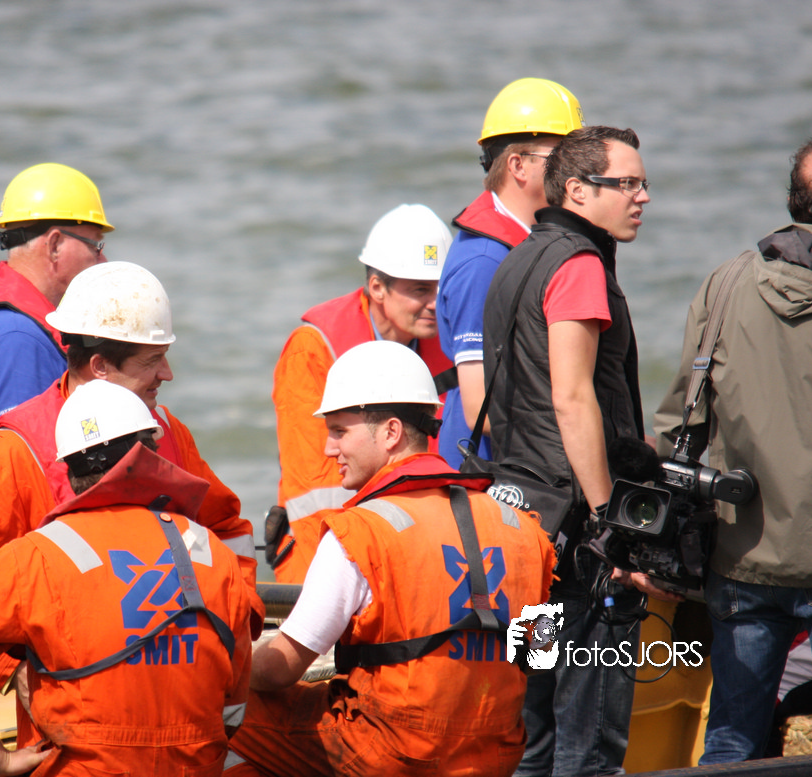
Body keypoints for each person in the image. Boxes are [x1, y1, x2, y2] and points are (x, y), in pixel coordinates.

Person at [0, 261, 261, 748]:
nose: (167, 374)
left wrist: (232, 632)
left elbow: (228, 532)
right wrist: (12, 669)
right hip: (72, 734)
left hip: (182, 721)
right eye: (151, 361)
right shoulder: (17, 453)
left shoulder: (167, 432)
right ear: (99, 366)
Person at [226, 340, 556, 777]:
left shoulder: (361, 531)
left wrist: (218, 664)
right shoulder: (526, 531)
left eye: (339, 431)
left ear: (390, 432)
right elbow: (540, 657)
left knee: (215, 702)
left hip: (390, 753)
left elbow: (281, 669)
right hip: (495, 751)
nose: (328, 449)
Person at [0, 380, 256, 775]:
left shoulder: (36, 557)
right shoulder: (214, 555)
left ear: (69, 469)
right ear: (151, 457)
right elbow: (233, 701)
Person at [482, 126, 668, 777]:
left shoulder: (519, 256)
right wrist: (611, 525)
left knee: (534, 734)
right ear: (578, 190)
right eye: (627, 183)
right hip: (577, 542)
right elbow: (571, 397)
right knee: (589, 744)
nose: (642, 196)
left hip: (521, 525)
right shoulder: (581, 265)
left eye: (643, 182)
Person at [652, 136, 812, 764]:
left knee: (730, 739)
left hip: (743, 556)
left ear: (793, 200)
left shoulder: (725, 285)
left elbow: (680, 421)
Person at [268, 203, 454, 584]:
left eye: (441, 287)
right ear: (377, 288)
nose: (435, 303)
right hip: (325, 559)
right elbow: (317, 489)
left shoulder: (447, 347)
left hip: (420, 553)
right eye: (420, 289)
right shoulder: (315, 349)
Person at [436, 77, 583, 468]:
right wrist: (586, 428)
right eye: (563, 157)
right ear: (517, 165)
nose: (579, 171)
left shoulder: (524, 245)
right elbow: (478, 408)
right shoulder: (483, 262)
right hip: (486, 478)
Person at [0, 162, 112, 464]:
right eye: (95, 245)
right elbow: (35, 465)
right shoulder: (17, 340)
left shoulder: (7, 324)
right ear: (55, 245)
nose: (103, 260)